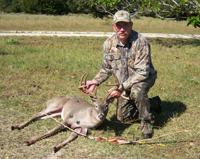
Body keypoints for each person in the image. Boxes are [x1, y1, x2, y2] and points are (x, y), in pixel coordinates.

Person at [83, 10, 161, 139]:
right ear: (114, 27)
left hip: (143, 79)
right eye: (118, 26)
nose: (122, 29)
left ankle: (147, 123)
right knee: (123, 117)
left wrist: (121, 88)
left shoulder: (141, 42)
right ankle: (153, 103)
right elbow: (106, 69)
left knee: (137, 91)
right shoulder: (108, 44)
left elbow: (142, 72)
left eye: (125, 25)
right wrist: (95, 81)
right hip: (123, 84)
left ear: (131, 25)